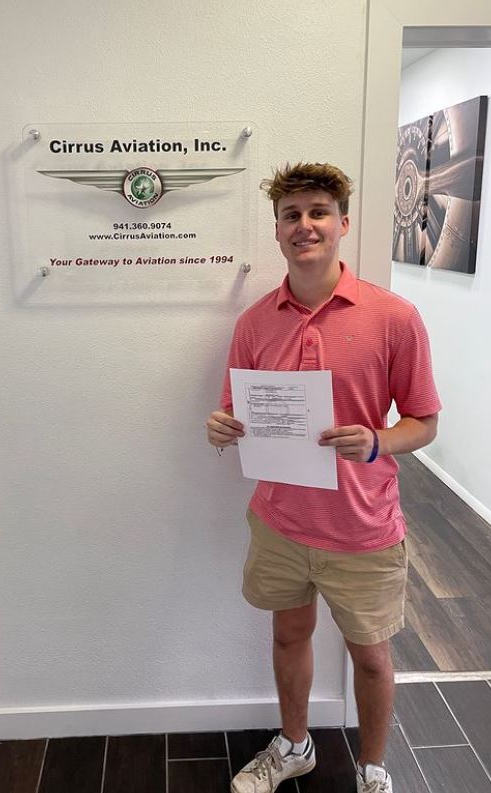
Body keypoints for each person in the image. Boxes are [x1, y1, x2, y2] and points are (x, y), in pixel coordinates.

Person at [206, 162, 441, 793]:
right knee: (289, 636)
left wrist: (374, 442)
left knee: (370, 653)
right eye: (291, 215)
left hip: (363, 524)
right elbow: (236, 408)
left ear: (342, 223)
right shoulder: (255, 322)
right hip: (281, 521)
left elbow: (423, 422)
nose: (304, 226)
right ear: (278, 229)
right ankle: (295, 746)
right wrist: (223, 426)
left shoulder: (393, 317)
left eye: (317, 213)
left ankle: (371, 770)